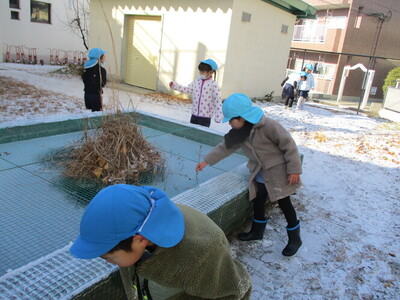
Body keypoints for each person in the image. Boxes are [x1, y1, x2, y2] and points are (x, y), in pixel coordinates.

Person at [70, 184, 252, 299]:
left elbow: (231, 291)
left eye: (110, 258)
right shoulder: (137, 223)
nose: (109, 262)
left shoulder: (202, 252)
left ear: (139, 240)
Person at [195, 93, 303, 257]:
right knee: (258, 200)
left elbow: (289, 146)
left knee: (284, 203)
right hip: (259, 172)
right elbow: (225, 147)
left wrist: (294, 169)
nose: (230, 123)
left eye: (232, 120)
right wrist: (207, 161)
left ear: (244, 117)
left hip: (278, 172)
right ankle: (257, 231)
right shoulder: (239, 133)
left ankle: (295, 238)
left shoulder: (269, 126)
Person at [169, 59, 223, 127]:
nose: (201, 73)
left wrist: (218, 115)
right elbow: (187, 89)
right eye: (200, 71)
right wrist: (174, 85)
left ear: (211, 72)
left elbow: (217, 101)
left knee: (201, 135)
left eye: (203, 71)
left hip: (205, 117)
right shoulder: (196, 82)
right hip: (194, 115)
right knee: (192, 132)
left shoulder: (214, 85)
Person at [82, 48, 107, 112]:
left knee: (90, 115)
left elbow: (84, 80)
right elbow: (103, 84)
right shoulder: (101, 70)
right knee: (96, 116)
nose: (105, 58)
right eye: (103, 56)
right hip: (96, 97)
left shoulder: (86, 69)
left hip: (87, 95)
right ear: (99, 58)